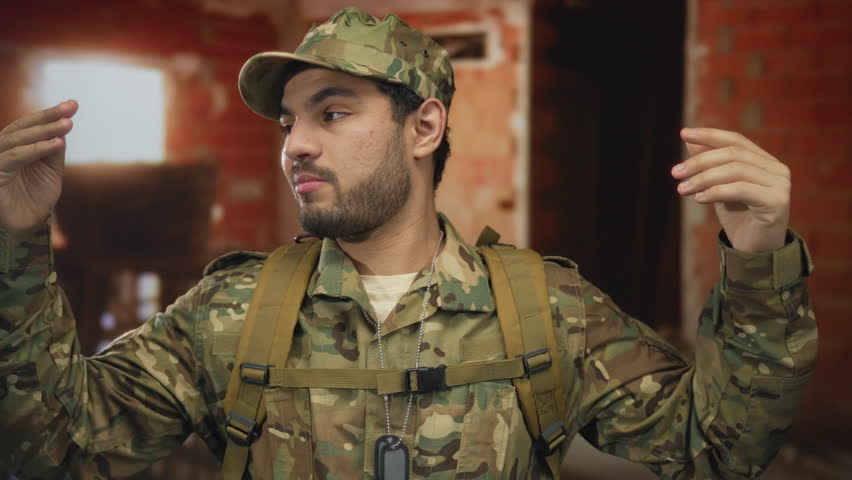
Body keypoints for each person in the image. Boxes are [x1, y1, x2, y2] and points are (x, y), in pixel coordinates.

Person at [0, 6, 816, 480]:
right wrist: (15, 245)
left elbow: (716, 448)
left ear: (424, 125)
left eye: (333, 111)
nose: (295, 147)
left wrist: (757, 265)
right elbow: (54, 447)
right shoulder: (231, 311)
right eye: (289, 124)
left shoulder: (544, 309)